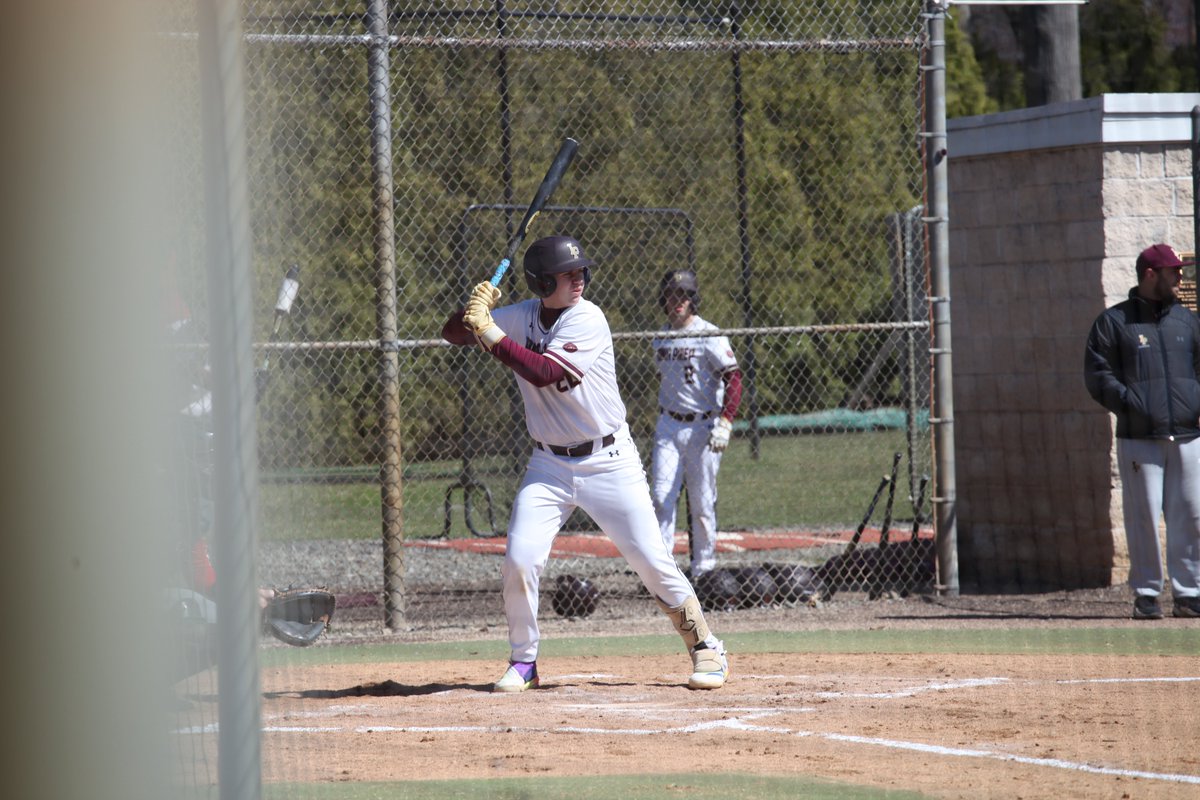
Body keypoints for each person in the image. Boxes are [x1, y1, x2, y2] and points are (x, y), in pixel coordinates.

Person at [441, 235, 730, 692]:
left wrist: (490, 331)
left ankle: (707, 648)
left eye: (580, 272)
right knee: (519, 559)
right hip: (549, 466)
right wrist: (472, 311)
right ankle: (524, 661)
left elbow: (545, 372)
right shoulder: (519, 315)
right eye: (566, 274)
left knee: (652, 560)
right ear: (541, 281)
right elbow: (453, 334)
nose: (578, 280)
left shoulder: (588, 318)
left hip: (609, 461)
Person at [1084, 243, 1200, 620]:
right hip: (1139, 437)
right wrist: (1132, 404)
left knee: (1191, 515)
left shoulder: (1187, 320)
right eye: (1172, 271)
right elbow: (1098, 374)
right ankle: (1148, 594)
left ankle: (1189, 594)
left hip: (1187, 434)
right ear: (1151, 274)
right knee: (1144, 516)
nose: (1180, 277)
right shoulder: (1114, 322)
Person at [650, 269, 742, 578]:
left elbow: (734, 377)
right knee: (661, 499)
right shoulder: (659, 338)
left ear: (693, 300)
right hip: (668, 425)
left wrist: (726, 421)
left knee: (702, 503)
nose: (677, 301)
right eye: (672, 295)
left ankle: (704, 568)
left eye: (684, 295)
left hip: (704, 426)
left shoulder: (708, 334)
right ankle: (663, 571)